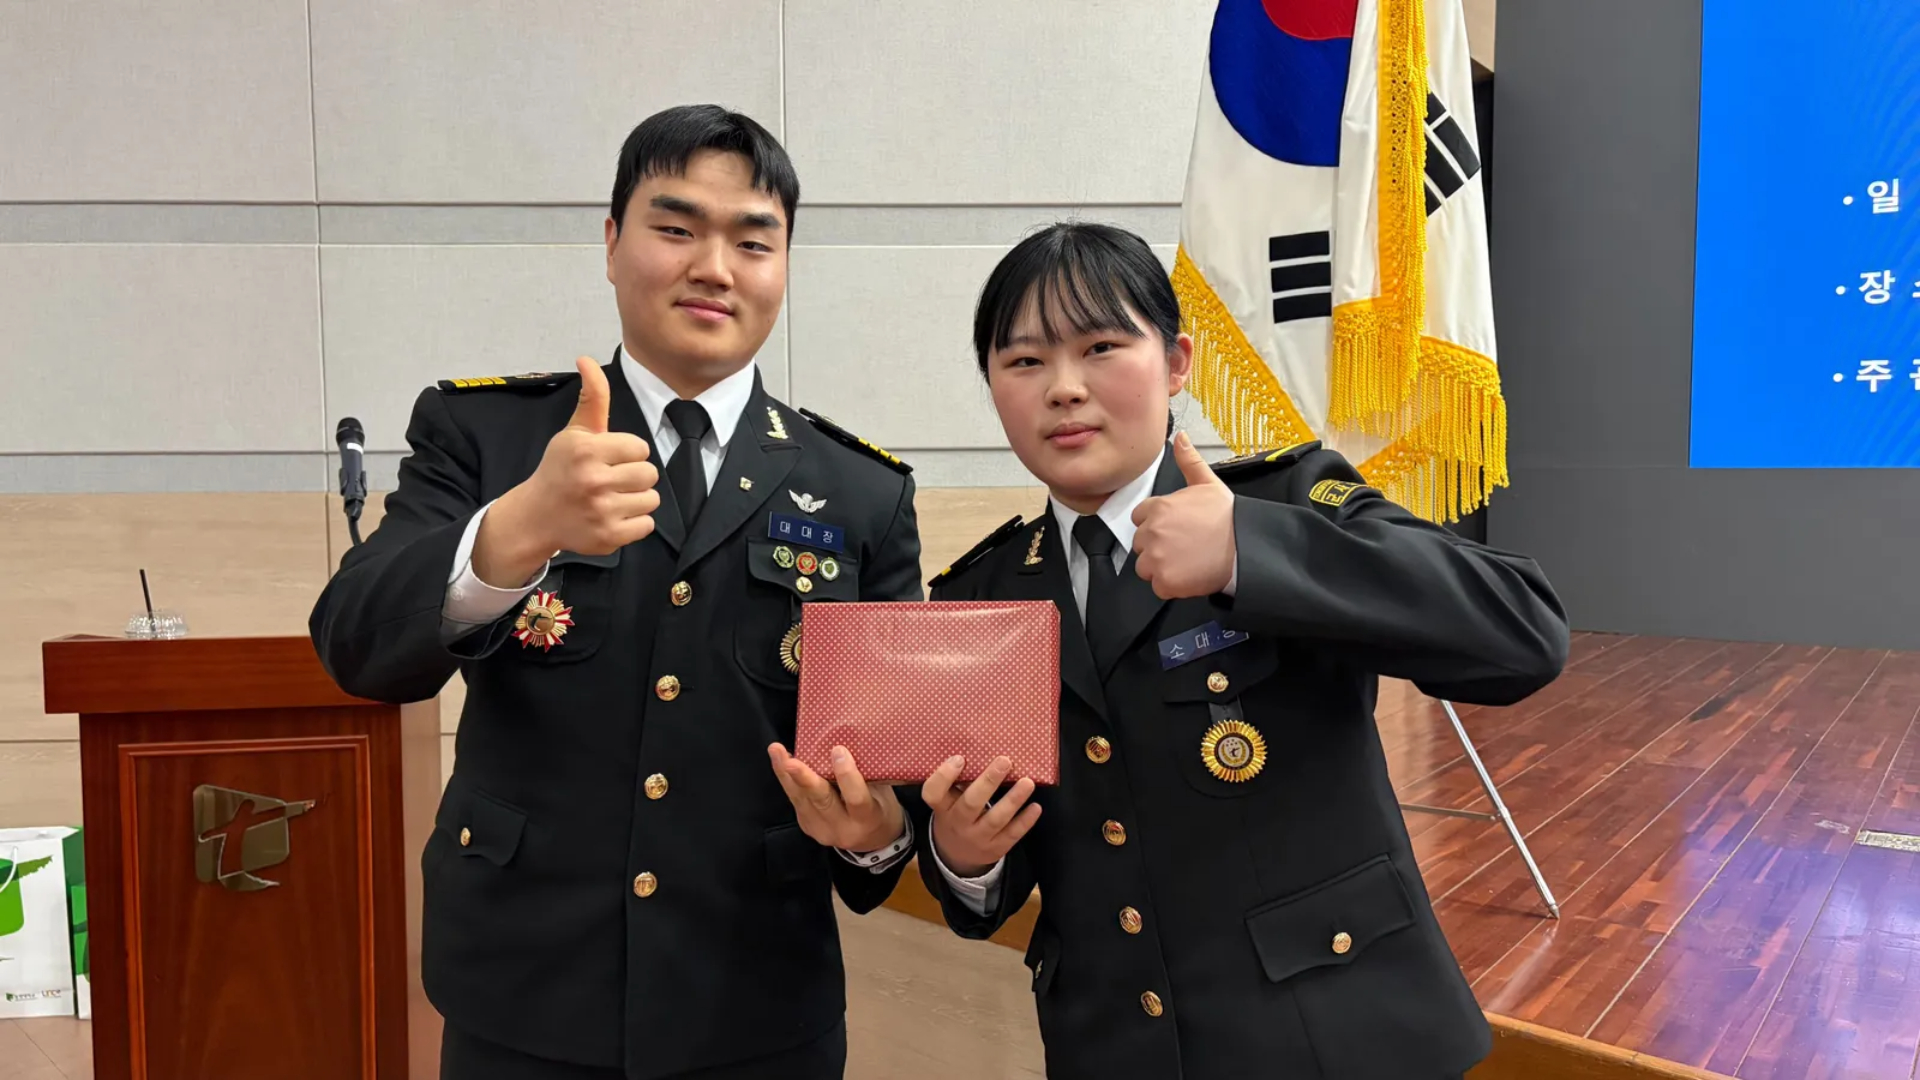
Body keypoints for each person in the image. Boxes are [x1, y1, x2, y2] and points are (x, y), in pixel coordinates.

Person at [308, 105, 923, 1080]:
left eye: (752, 241)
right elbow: (355, 644)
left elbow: (896, 792)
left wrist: (875, 835)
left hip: (757, 1004)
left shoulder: (860, 491)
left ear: (784, 265)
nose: (714, 268)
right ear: (610, 242)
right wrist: (519, 527)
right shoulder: (491, 435)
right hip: (526, 994)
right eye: (675, 228)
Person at [907, 222, 1569, 1080]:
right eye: (1025, 361)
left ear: (1177, 361)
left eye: (1101, 347)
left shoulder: (1286, 501)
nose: (1064, 388)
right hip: (1112, 1051)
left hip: (1334, 1043)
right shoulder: (982, 596)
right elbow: (994, 883)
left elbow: (1524, 632)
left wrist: (1250, 552)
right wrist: (965, 854)